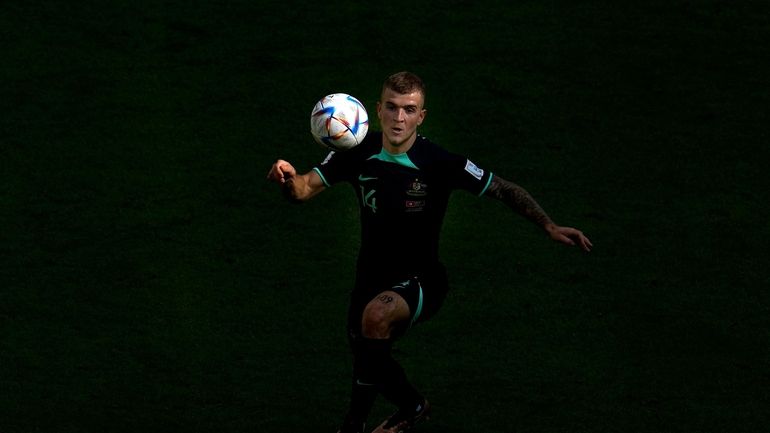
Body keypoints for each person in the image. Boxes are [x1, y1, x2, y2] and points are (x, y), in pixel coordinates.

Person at [267, 71, 592, 433]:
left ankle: (356, 424)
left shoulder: (439, 163)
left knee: (374, 319)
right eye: (391, 107)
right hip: (370, 276)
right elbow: (302, 190)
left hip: (423, 280)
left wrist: (547, 224)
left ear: (421, 116)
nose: (399, 118)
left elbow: (502, 188)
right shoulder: (355, 152)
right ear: (377, 110)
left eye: (409, 109)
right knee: (367, 358)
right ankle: (410, 407)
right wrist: (286, 178)